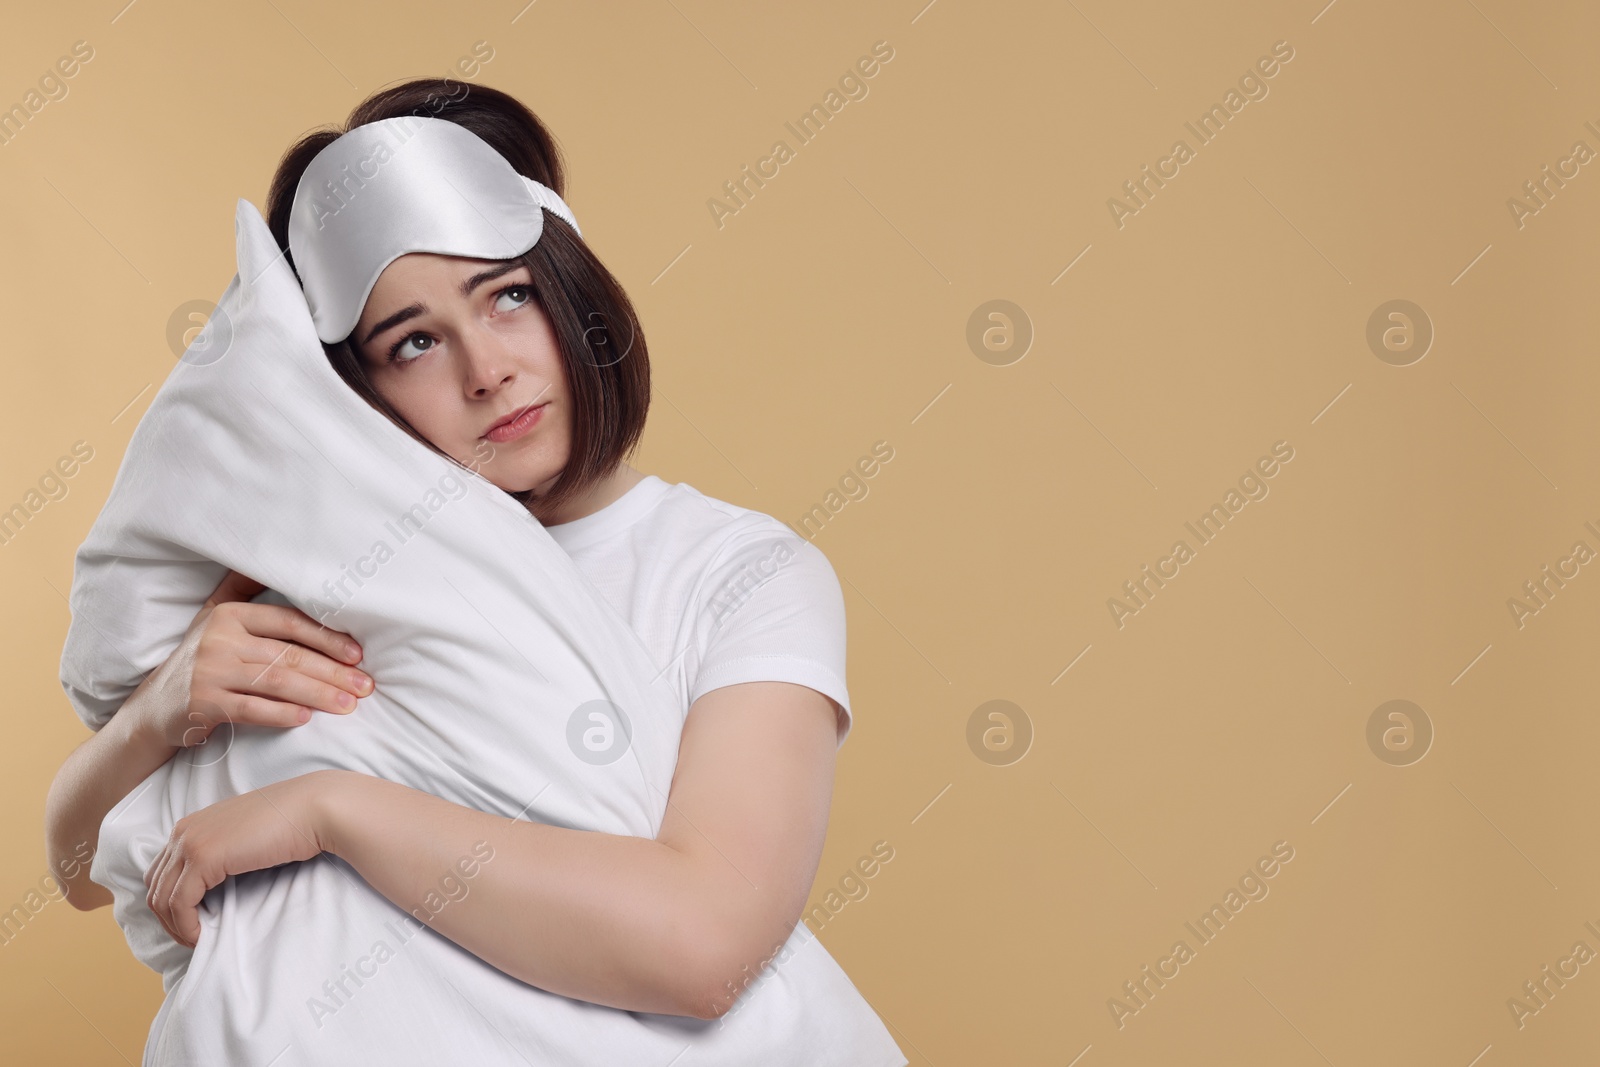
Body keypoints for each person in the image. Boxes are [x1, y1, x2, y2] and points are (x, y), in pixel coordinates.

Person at [44, 78, 907, 1064]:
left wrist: (331, 810)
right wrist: (159, 709)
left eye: (507, 295)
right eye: (413, 341)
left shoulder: (739, 572)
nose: (485, 367)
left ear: (572, 294)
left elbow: (703, 943)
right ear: (357, 392)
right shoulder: (325, 578)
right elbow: (78, 869)